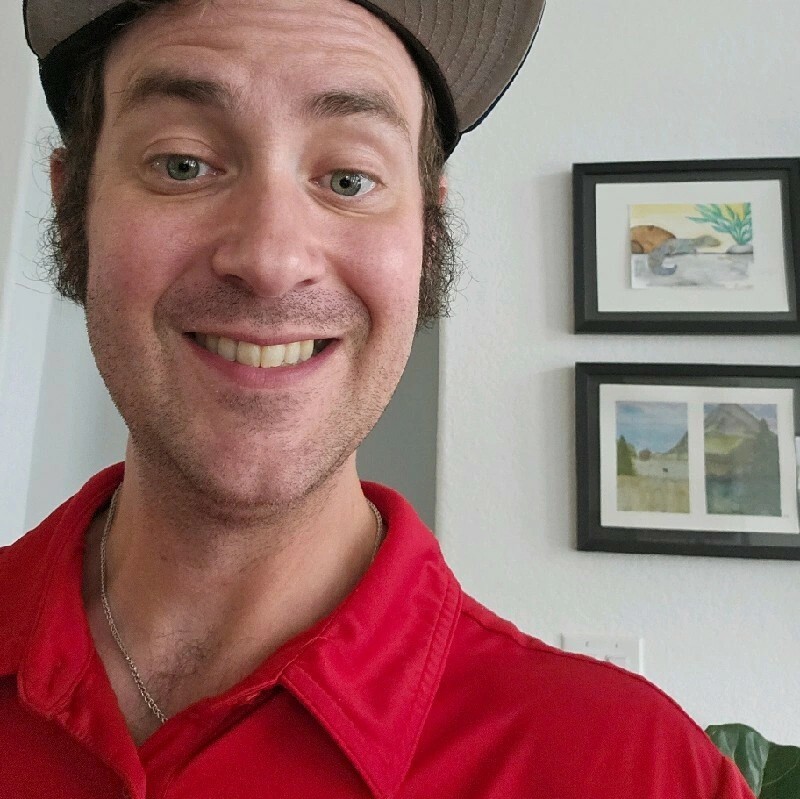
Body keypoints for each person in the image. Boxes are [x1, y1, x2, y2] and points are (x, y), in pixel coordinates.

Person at [1, 0, 755, 796]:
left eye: (348, 179)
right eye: (182, 164)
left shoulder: (637, 771)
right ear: (71, 204)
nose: (271, 258)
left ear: (427, 235)